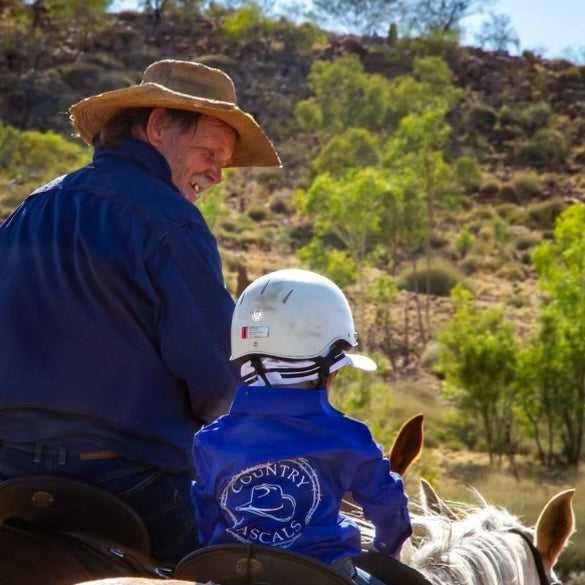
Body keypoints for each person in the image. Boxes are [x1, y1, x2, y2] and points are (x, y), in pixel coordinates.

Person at [0, 59, 281, 565]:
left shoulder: (30, 209)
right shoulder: (171, 222)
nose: (217, 173)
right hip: (128, 482)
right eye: (210, 152)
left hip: (9, 472)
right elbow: (219, 384)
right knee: (262, 560)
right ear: (157, 127)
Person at [191, 269, 412, 584]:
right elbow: (389, 507)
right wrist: (385, 547)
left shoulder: (209, 440)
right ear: (324, 370)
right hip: (324, 570)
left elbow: (204, 517)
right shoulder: (349, 437)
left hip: (231, 572)